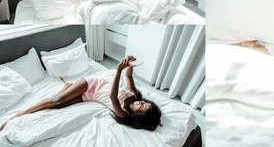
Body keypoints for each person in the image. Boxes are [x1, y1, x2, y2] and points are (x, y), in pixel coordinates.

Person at [0, 55, 161, 132]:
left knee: (59, 106)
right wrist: (129, 65)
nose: (141, 103)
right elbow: (129, 76)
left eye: (142, 107)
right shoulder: (135, 95)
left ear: (137, 115)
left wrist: (118, 70)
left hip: (90, 96)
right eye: (145, 103)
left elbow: (113, 97)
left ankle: (68, 85)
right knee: (55, 101)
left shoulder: (124, 113)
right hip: (92, 83)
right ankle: (17, 116)